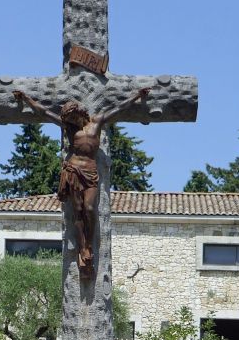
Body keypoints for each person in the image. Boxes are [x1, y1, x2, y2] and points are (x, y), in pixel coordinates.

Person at [13, 87, 151, 275]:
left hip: (91, 172)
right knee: (78, 211)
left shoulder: (97, 122)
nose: (72, 122)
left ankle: (89, 244)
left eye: (73, 118)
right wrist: (26, 98)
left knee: (90, 208)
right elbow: (44, 112)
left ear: (79, 113)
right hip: (74, 171)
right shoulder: (69, 128)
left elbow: (119, 108)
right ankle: (83, 248)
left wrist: (137, 96)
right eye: (69, 120)